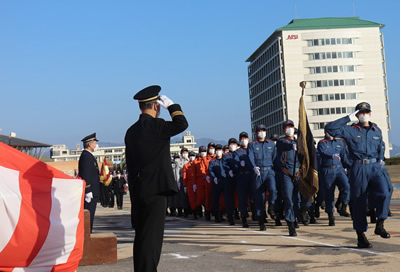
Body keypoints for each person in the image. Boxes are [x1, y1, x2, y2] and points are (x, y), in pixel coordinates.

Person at [124, 85, 188, 271]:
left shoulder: (131, 131)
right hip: (156, 190)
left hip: (139, 190)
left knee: (142, 235)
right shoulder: (157, 126)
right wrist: (173, 106)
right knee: (152, 238)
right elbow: (181, 124)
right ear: (156, 106)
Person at [325, 102, 390, 248]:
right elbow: (330, 128)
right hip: (359, 167)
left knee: (385, 193)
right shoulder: (350, 130)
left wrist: (380, 160)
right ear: (357, 114)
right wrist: (348, 117)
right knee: (359, 202)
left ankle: (380, 224)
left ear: (370, 114)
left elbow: (380, 146)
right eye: (361, 112)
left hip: (375, 167)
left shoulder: (376, 130)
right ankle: (361, 236)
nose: (364, 114)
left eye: (366, 112)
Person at [317, 130, 350, 226]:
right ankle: (331, 215)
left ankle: (342, 204)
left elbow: (344, 156)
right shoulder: (322, 143)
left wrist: (347, 166)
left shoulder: (340, 143)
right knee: (329, 193)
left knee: (346, 186)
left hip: (339, 169)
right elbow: (322, 152)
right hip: (328, 170)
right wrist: (332, 156)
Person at [248, 124, 277, 231]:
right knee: (260, 198)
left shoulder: (271, 144)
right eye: (259, 130)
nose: (261, 132)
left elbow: (275, 158)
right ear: (256, 133)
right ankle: (261, 221)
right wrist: (254, 167)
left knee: (273, 190)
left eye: (263, 130)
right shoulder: (252, 145)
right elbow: (250, 156)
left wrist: (275, 171)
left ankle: (272, 207)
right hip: (258, 172)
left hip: (269, 171)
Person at [276, 121, 300, 236]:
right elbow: (281, 146)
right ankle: (290, 223)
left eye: (291, 127)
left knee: (298, 199)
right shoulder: (282, 141)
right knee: (289, 200)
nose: (289, 129)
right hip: (287, 173)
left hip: (298, 173)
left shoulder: (298, 141)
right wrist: (292, 146)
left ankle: (295, 217)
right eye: (287, 127)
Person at [78, 133, 100, 233]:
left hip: (93, 191)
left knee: (90, 217)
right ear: (90, 144)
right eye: (94, 143)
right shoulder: (86, 156)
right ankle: (86, 236)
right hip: (90, 192)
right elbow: (85, 174)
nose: (96, 145)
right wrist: (88, 190)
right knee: (88, 218)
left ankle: (88, 234)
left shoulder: (89, 156)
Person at [233, 131, 254, 228]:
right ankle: (244, 218)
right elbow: (235, 161)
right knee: (243, 199)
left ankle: (257, 215)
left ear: (248, 139)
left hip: (252, 175)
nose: (243, 140)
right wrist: (239, 163)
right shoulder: (237, 152)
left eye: (245, 138)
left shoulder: (252, 149)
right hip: (242, 176)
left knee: (254, 197)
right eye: (242, 138)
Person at [209, 144, 227, 223]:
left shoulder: (225, 159)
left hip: (225, 181)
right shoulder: (213, 161)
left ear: (222, 151)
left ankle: (227, 215)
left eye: (220, 149)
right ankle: (217, 216)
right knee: (215, 200)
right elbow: (210, 170)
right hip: (217, 182)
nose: (218, 151)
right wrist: (214, 177)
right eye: (217, 150)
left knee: (227, 199)